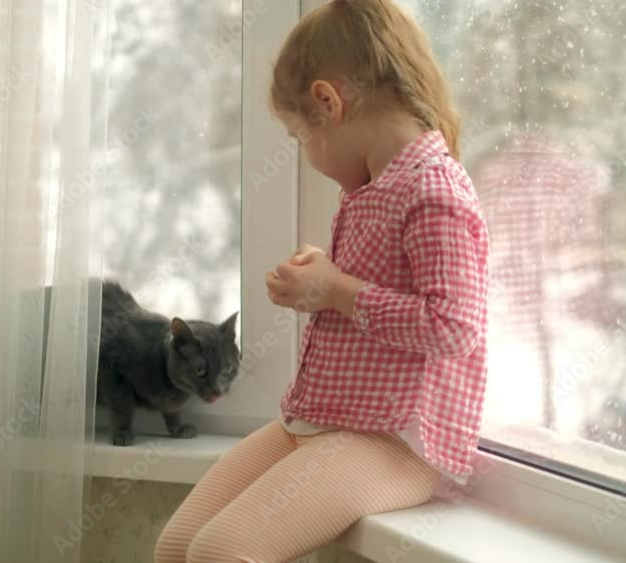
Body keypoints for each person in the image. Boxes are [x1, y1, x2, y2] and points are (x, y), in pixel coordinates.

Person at [155, 1, 489, 560]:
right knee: (177, 546)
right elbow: (375, 289)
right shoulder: (373, 189)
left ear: (328, 102)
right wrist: (322, 280)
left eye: (298, 136)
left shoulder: (434, 190)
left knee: (220, 553)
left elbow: (454, 325)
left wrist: (337, 291)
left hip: (397, 440)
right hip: (323, 418)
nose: (304, 152)